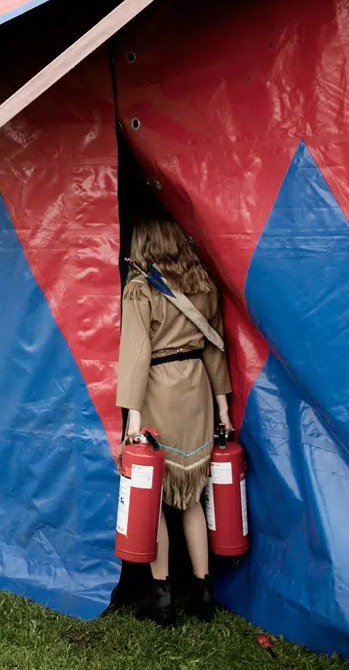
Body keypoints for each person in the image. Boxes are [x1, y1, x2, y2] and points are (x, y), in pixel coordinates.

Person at [117, 217, 232, 626]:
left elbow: (135, 354)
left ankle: (161, 599)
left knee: (159, 502)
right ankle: (203, 595)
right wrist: (222, 409)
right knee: (193, 495)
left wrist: (132, 417)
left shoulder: (139, 288)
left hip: (158, 391)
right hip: (197, 389)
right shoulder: (203, 283)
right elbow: (216, 350)